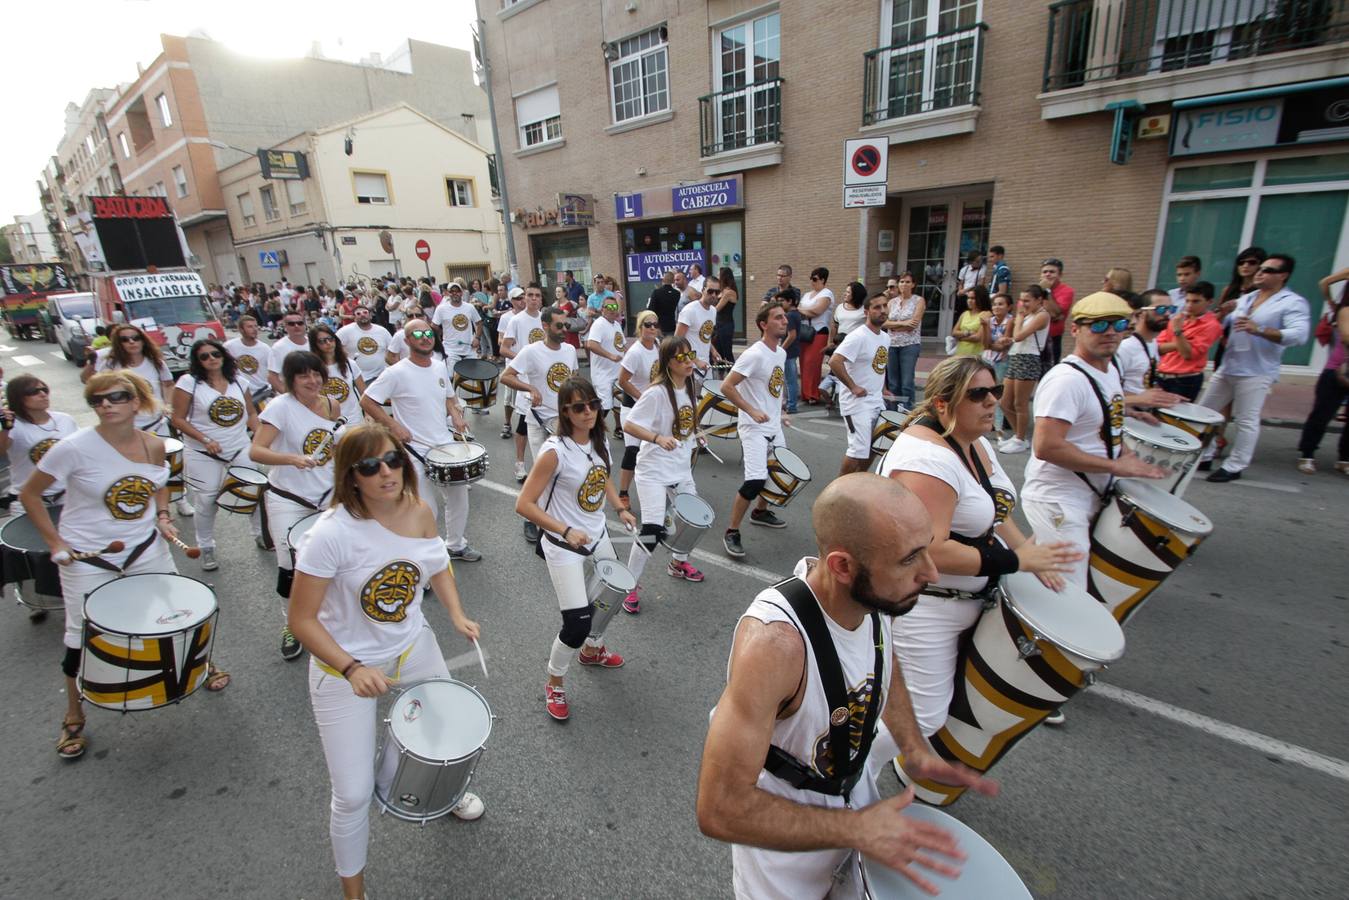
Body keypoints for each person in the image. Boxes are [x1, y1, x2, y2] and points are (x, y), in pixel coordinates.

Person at [696, 473, 996, 899]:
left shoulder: (873, 594)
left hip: (854, 798)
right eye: (910, 559)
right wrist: (856, 828)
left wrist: (913, 748)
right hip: (782, 855)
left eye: (927, 547)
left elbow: (883, 660)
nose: (931, 572)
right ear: (842, 566)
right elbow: (721, 808)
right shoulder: (775, 646)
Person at [290, 425, 484, 900]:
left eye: (393, 459)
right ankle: (354, 893)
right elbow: (301, 620)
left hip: (413, 646)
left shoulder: (419, 511)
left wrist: (456, 613)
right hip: (343, 669)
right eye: (370, 466)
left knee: (448, 736)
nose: (386, 472)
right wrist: (352, 668)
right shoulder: (329, 535)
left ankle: (444, 795)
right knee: (352, 794)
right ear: (350, 476)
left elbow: (436, 564)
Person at [21, 371, 230, 762]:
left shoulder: (153, 444)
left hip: (144, 547)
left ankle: (199, 664)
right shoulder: (73, 448)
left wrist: (163, 516)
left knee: (178, 611)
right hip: (89, 555)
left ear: (136, 402)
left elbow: (159, 483)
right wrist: (55, 543)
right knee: (79, 632)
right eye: (97, 399)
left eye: (115, 396)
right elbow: (30, 494)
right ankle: (74, 712)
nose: (105, 404)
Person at [879, 357, 1079, 737]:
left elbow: (995, 510)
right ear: (942, 403)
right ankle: (844, 770)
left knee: (956, 701)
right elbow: (929, 551)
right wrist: (1016, 560)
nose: (991, 401)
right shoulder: (926, 460)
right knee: (920, 720)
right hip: (926, 607)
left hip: (967, 598)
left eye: (995, 390)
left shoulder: (973, 441)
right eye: (977, 394)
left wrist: (1034, 556)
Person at [1021, 292, 1167, 592]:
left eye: (1118, 324)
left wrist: (1125, 449)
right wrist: (1115, 466)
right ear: (1076, 329)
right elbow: (1047, 446)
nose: (1110, 332)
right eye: (1099, 325)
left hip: (1087, 492)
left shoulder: (1108, 371)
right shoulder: (1066, 380)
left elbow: (1101, 427)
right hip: (1058, 499)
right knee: (1070, 590)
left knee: (1035, 571)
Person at [516, 377, 637, 720]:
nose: (589, 412)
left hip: (598, 536)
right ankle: (554, 682)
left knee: (610, 599)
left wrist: (620, 508)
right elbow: (523, 504)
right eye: (579, 407)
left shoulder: (599, 441)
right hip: (563, 545)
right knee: (576, 624)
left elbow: (603, 478)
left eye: (593, 405)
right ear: (565, 412)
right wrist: (565, 530)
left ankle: (593, 651)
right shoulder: (554, 452)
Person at [250, 351, 347, 659]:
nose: (312, 380)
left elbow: (338, 449)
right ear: (290, 379)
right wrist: (292, 459)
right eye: (304, 375)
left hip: (328, 496)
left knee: (335, 562)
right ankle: (292, 623)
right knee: (290, 565)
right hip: (288, 498)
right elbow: (256, 450)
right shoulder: (280, 407)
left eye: (316, 374)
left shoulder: (332, 405)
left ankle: (331, 620)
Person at [360, 321, 481, 563]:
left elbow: (449, 397)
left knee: (459, 501)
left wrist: (456, 416)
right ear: (407, 341)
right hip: (413, 451)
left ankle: (455, 545)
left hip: (445, 446)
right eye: (417, 334)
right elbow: (367, 401)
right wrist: (394, 426)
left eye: (428, 333)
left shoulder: (439, 366)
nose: (425, 337)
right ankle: (425, 557)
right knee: (425, 509)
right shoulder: (396, 373)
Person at [1198, 254, 1311, 483]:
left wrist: (1259, 330)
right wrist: (1222, 314)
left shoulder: (1292, 302)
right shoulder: (1247, 298)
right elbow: (1223, 325)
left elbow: (1299, 335)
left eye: (1268, 270)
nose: (1260, 273)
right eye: (1261, 268)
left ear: (1283, 275)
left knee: (1246, 420)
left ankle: (1235, 465)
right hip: (1229, 365)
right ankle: (1205, 455)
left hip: (1257, 371)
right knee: (1204, 412)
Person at [621, 335, 707, 613]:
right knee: (652, 530)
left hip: (680, 468)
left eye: (691, 355)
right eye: (682, 357)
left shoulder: (690, 385)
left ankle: (678, 562)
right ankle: (630, 584)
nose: (689, 361)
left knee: (691, 521)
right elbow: (630, 425)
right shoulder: (656, 392)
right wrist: (657, 438)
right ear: (668, 362)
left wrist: (697, 433)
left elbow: (685, 421)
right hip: (653, 471)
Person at [169, 338, 262, 570]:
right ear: (197, 361)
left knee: (253, 491)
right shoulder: (188, 383)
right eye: (204, 356)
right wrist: (205, 440)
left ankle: (260, 534)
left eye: (215, 354)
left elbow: (251, 413)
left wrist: (261, 438)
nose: (211, 359)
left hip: (239, 446)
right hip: (202, 451)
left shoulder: (239, 381)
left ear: (223, 356)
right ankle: (206, 546)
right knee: (207, 499)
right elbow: (177, 418)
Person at [1, 375, 78, 619]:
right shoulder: (13, 426)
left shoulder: (64, 420)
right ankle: (37, 602)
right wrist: (5, 427)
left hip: (65, 496)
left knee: (72, 546)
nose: (42, 394)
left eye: (44, 389)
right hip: (28, 500)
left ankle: (75, 594)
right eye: (34, 391)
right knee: (30, 555)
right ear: (19, 398)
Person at [722, 302, 790, 559]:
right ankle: (731, 531)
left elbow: (774, 386)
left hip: (773, 424)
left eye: (784, 317)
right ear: (764, 324)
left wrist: (781, 410)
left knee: (778, 472)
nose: (784, 321)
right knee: (755, 481)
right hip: (753, 428)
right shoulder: (754, 354)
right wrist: (751, 410)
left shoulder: (780, 353)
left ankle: (760, 512)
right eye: (778, 317)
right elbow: (727, 386)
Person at [501, 306, 581, 472]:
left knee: (565, 471)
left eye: (566, 325)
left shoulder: (570, 350)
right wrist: (530, 388)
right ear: (545, 325)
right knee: (544, 472)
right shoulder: (530, 351)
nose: (564, 330)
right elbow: (506, 376)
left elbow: (573, 379)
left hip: (563, 420)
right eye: (559, 326)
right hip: (538, 420)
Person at [830, 293, 890, 476]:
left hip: (876, 400)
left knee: (876, 445)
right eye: (877, 307)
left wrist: (884, 388)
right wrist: (853, 387)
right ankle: (839, 488)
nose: (882, 310)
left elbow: (880, 365)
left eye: (885, 306)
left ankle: (857, 481)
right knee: (858, 450)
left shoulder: (885, 337)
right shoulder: (858, 336)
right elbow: (835, 361)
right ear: (866, 312)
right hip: (857, 403)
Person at [1297, 268, 1349, 474]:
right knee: (1322, 414)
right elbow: (1346, 337)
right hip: (1338, 370)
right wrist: (1331, 303)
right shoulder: (1345, 310)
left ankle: (1344, 458)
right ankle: (1307, 454)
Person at [82, 323, 175, 434]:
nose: (131, 342)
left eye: (136, 338)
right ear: (119, 344)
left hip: (156, 424)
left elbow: (168, 384)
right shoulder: (110, 364)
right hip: (124, 427)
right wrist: (92, 362)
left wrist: (167, 405)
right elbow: (88, 381)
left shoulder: (156, 363)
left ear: (143, 341)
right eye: (125, 340)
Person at [616, 309, 662, 508]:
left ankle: (656, 490)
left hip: (652, 408)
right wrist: (642, 398)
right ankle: (623, 493)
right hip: (633, 408)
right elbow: (622, 381)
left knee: (655, 451)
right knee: (632, 451)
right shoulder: (635, 352)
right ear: (640, 328)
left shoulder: (658, 345)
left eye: (655, 324)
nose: (652, 328)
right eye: (647, 324)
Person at [500, 285, 545, 482]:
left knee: (546, 425)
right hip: (525, 380)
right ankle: (520, 463)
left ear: (541, 299)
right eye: (530, 295)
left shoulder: (545, 318)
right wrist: (523, 360)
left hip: (544, 379)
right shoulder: (516, 320)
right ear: (525, 298)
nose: (534, 298)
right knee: (524, 425)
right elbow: (504, 348)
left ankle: (545, 467)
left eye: (537, 296)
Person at [998, 285, 1051, 453]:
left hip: (1029, 358)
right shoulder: (1029, 315)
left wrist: (1019, 319)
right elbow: (1016, 337)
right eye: (1021, 300)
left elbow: (1019, 335)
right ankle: (1018, 435)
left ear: (1039, 300)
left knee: (1020, 404)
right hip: (1016, 356)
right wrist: (1009, 339)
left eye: (1027, 301)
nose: (1023, 304)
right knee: (1004, 402)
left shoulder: (1042, 315)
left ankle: (1020, 439)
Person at [1156, 281, 1223, 401]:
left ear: (1209, 302)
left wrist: (1178, 331)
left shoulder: (1211, 325)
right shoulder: (1178, 319)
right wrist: (1182, 343)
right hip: (1162, 375)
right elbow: (1158, 348)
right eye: (1187, 301)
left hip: (1184, 379)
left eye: (1196, 301)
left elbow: (1188, 354)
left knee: (1176, 412)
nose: (1189, 305)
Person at [1116, 290, 1184, 406]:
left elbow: (1142, 383)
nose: (1167, 314)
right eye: (1161, 309)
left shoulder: (1152, 343)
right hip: (1126, 413)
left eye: (1171, 309)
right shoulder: (1124, 348)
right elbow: (1107, 394)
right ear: (1141, 313)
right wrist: (1139, 400)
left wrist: (1165, 396)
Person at [586, 297, 626, 439]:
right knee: (605, 406)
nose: (612, 310)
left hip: (617, 372)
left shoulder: (616, 325)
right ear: (602, 309)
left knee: (618, 404)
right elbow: (591, 344)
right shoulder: (599, 324)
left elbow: (622, 345)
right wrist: (610, 356)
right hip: (602, 374)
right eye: (608, 307)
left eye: (614, 307)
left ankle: (618, 428)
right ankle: (592, 432)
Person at [311, 323, 367, 424]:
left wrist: (368, 414)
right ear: (315, 345)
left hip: (354, 420)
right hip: (327, 421)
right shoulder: (312, 368)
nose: (328, 343)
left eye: (330, 339)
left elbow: (363, 392)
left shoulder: (350, 364)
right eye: (322, 341)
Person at [884, 272, 925, 410]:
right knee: (893, 382)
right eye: (901, 282)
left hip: (910, 344)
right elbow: (884, 323)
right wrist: (903, 324)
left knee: (907, 382)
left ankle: (908, 410)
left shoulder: (918, 301)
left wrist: (894, 326)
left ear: (913, 284)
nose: (904, 284)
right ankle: (893, 410)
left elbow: (913, 324)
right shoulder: (891, 302)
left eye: (907, 282)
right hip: (892, 344)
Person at [796, 268, 834, 405]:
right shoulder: (807, 295)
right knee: (803, 362)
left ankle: (813, 394)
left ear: (823, 280)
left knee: (812, 363)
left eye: (815, 279)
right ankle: (805, 393)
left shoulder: (827, 294)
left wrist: (802, 310)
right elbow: (804, 311)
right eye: (811, 278)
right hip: (805, 332)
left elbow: (817, 311)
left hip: (819, 332)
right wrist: (805, 311)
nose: (812, 281)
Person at [431, 282, 483, 373]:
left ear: (461, 293)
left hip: (469, 350)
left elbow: (479, 323)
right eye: (452, 291)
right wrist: (441, 335)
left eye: (457, 291)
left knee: (474, 377)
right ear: (448, 293)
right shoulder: (441, 309)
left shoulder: (469, 307)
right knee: (450, 376)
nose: (455, 293)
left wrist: (477, 338)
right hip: (450, 350)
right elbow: (434, 326)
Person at [336, 305, 391, 385]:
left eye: (365, 312)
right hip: (358, 378)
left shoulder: (382, 331)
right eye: (358, 314)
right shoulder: (345, 331)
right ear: (354, 318)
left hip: (381, 376)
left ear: (370, 315)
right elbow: (335, 347)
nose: (362, 315)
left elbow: (392, 350)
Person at [675, 276, 723, 369]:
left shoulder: (713, 311)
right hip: (690, 366)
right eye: (710, 291)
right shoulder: (690, 310)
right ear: (703, 290)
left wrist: (713, 351)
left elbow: (705, 336)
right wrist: (696, 361)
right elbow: (677, 340)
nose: (714, 295)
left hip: (705, 364)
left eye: (717, 292)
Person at [224, 315, 272, 406]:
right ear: (241, 330)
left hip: (262, 392)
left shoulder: (265, 349)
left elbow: (272, 373)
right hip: (240, 393)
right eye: (250, 327)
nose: (254, 329)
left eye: (255, 326)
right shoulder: (229, 346)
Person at [983, 293, 1013, 434]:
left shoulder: (1010, 321)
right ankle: (985, 421)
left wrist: (992, 345)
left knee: (999, 393)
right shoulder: (989, 321)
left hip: (1002, 360)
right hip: (988, 358)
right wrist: (985, 328)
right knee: (985, 391)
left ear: (1009, 307)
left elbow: (1003, 346)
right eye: (994, 304)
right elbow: (985, 344)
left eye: (1001, 304)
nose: (996, 307)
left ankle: (998, 426)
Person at [1039, 258, 1075, 367]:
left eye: (1052, 272)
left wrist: (1047, 292)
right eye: (1045, 272)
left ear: (1060, 275)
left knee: (1050, 369)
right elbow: (1025, 310)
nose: (1048, 274)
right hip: (1034, 336)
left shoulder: (1067, 290)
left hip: (1052, 337)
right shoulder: (1035, 290)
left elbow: (1056, 313)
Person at [267, 312, 313, 394]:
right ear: (285, 327)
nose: (296, 326)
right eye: (291, 324)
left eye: (300, 323)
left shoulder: (313, 343)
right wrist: (289, 395)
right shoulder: (278, 347)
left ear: (305, 325)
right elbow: (272, 377)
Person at [951, 285, 990, 357]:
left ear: (981, 299)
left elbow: (977, 338)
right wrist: (968, 333)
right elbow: (954, 332)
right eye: (968, 298)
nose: (969, 301)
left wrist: (960, 338)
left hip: (975, 355)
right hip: (959, 354)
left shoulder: (986, 314)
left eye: (973, 298)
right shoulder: (965, 314)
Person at [780, 291, 802, 414]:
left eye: (782, 301)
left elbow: (791, 335)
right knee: (790, 379)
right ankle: (790, 403)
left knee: (790, 380)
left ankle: (791, 405)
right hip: (793, 350)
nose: (780, 303)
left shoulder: (789, 316)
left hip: (789, 351)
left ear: (790, 301)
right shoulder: (796, 314)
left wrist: (781, 349)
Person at [713, 266, 740, 364]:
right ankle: (720, 372)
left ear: (724, 277)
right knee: (719, 351)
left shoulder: (729, 292)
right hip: (718, 323)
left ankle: (731, 371)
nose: (717, 276)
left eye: (718, 275)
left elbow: (717, 308)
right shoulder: (721, 291)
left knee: (727, 352)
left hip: (726, 324)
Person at [646, 270, 681, 335]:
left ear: (663, 280)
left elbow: (651, 309)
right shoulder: (677, 293)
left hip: (659, 326)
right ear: (673, 281)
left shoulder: (656, 292)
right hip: (671, 326)